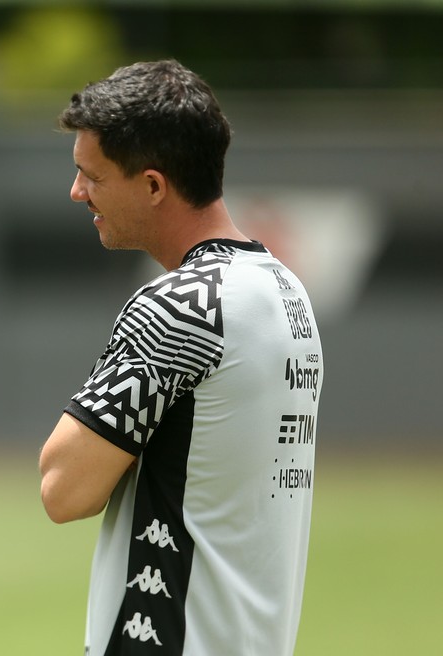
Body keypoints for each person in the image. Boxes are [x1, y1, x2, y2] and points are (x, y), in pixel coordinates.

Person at [38, 60, 323, 655]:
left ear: (152, 185)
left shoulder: (184, 305)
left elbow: (63, 489)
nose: (77, 192)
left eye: (92, 175)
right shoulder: (287, 291)